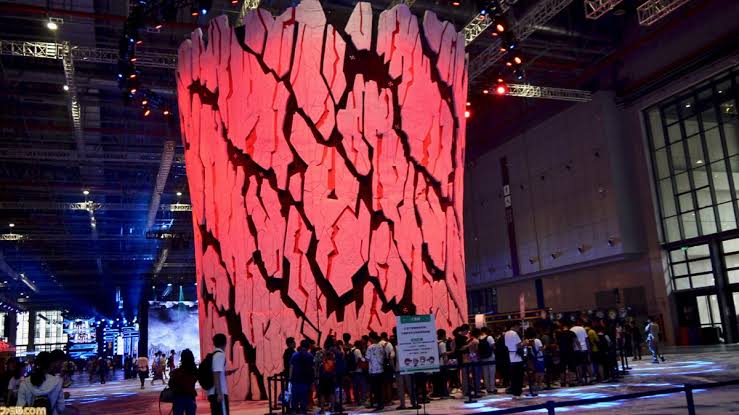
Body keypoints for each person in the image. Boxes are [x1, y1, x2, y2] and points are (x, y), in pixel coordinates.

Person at [169, 349, 198, 415]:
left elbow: (170, 384)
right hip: (190, 396)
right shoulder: (194, 371)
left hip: (178, 396)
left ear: (182, 358)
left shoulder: (176, 372)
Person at [289, 339, 314, 414]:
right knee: (304, 401)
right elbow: (311, 369)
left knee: (294, 400)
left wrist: (290, 378)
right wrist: (312, 381)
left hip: (295, 380)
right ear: (308, 346)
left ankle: (294, 412)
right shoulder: (310, 356)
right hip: (305, 381)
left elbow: (291, 367)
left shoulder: (294, 355)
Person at [208, 333, 229, 415]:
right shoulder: (220, 355)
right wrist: (219, 393)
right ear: (225, 343)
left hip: (214, 392)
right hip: (218, 392)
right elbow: (216, 373)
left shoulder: (214, 355)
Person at [365, 332, 386, 411]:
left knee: (375, 389)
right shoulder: (381, 346)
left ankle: (378, 405)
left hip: (373, 371)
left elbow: (367, 358)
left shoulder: (370, 347)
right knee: (380, 388)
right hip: (381, 370)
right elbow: (384, 356)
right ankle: (381, 404)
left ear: (371, 338)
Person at [504, 323, 524, 399]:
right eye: (518, 327)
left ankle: (514, 393)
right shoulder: (515, 334)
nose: (518, 329)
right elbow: (518, 345)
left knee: (513, 377)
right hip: (517, 357)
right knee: (519, 376)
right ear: (515, 326)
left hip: (510, 356)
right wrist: (524, 343)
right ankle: (518, 393)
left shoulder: (506, 334)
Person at [478, 327, 497, 394]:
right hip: (490, 357)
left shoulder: (478, 338)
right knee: (492, 373)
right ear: (486, 331)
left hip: (483, 358)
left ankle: (487, 388)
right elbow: (494, 347)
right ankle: (492, 388)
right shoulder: (489, 337)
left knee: (485, 373)